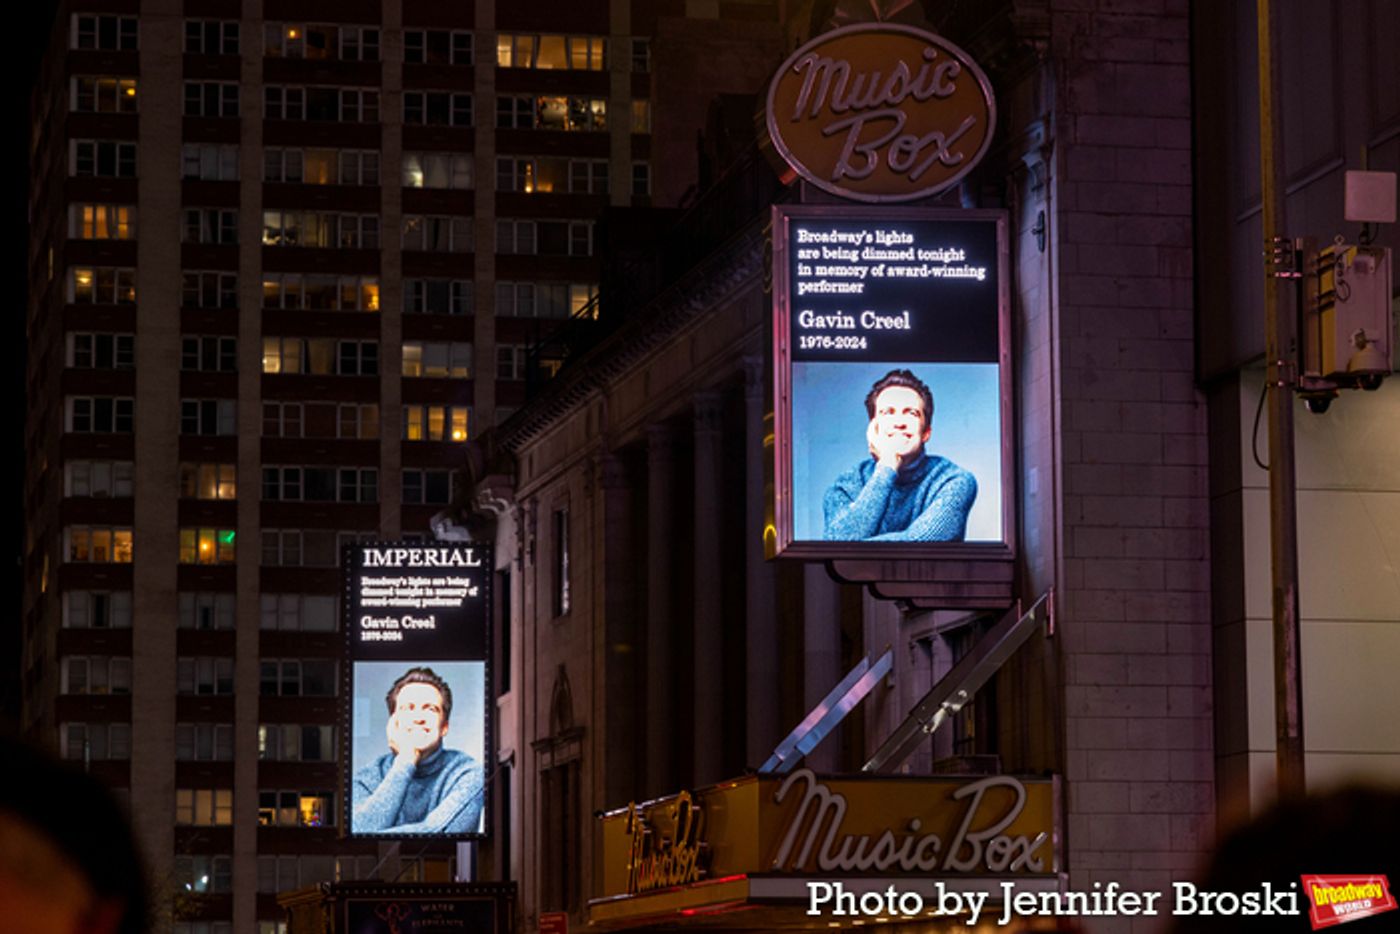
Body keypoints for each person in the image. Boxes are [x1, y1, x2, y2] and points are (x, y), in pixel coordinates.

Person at [823, 369, 977, 541]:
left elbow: (919, 545)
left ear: (926, 432)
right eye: (888, 412)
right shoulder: (847, 484)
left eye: (911, 413)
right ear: (873, 429)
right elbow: (838, 546)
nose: (899, 423)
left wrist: (858, 549)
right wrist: (887, 466)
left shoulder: (954, 480)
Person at [352, 667, 484, 834]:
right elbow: (358, 833)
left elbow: (437, 834)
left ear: (444, 726)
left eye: (430, 709)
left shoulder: (468, 773)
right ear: (393, 723)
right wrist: (406, 760)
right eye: (409, 708)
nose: (418, 718)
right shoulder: (366, 778)